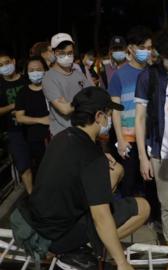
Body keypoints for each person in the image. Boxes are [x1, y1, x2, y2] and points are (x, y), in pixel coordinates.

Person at [14, 86, 149, 270]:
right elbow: (101, 216)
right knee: (143, 207)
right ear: (99, 116)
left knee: (116, 172)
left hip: (35, 224)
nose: (108, 120)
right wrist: (122, 263)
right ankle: (79, 250)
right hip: (56, 238)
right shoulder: (90, 156)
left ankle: (79, 246)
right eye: (108, 115)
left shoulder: (61, 137)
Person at [135, 26, 168, 246]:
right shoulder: (149, 77)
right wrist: (142, 157)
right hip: (161, 154)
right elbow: (140, 119)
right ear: (159, 54)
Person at [109, 26, 152, 198]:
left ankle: (150, 215)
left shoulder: (153, 72)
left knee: (150, 180)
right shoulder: (119, 75)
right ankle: (129, 216)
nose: (146, 52)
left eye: (149, 48)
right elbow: (116, 110)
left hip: (149, 137)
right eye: (142, 48)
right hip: (128, 138)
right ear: (131, 48)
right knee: (130, 181)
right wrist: (120, 138)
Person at [42, 33, 92, 136]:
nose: (66, 56)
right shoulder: (49, 78)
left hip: (85, 130)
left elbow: (93, 97)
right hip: (63, 134)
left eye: (69, 53)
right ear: (54, 52)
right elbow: (65, 110)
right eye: (61, 53)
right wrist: (84, 100)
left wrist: (71, 103)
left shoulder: (79, 74)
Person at [14, 56, 50, 194]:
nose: (35, 72)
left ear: (45, 70)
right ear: (27, 72)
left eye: (39, 69)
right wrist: (41, 120)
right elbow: (20, 117)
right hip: (35, 139)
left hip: (56, 136)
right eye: (32, 70)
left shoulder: (51, 88)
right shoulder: (23, 93)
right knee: (43, 171)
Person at [0, 49, 30, 192]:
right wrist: (15, 105)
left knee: (41, 162)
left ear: (13, 61)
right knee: (24, 166)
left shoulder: (26, 80)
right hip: (14, 130)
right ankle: (32, 196)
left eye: (6, 63)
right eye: (0, 65)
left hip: (33, 126)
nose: (4, 67)